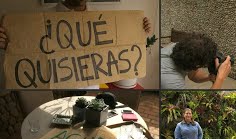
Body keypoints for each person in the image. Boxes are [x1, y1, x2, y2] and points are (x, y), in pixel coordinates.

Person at [0, 0, 151, 89]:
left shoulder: (108, 19)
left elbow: (125, 46)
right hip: (59, 93)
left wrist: (141, 30)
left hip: (91, 88)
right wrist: (8, 43)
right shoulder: (38, 20)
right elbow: (24, 50)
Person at [161, 35, 231, 89]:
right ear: (197, 65)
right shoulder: (171, 82)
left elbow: (193, 76)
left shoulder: (182, 47)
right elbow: (203, 102)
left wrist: (210, 77)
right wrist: (220, 78)